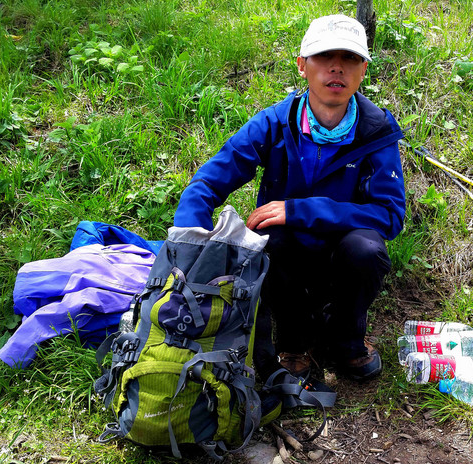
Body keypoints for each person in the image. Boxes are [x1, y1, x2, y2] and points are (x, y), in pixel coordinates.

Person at [173, 14, 406, 382]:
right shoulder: (275, 122)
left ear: (363, 70)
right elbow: (210, 181)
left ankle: (346, 340)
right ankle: (293, 343)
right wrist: (189, 241)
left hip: (342, 259)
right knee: (269, 239)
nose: (336, 68)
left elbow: (390, 216)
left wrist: (299, 210)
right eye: (324, 57)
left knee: (367, 249)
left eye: (349, 59)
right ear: (302, 66)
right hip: (288, 262)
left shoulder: (376, 131)